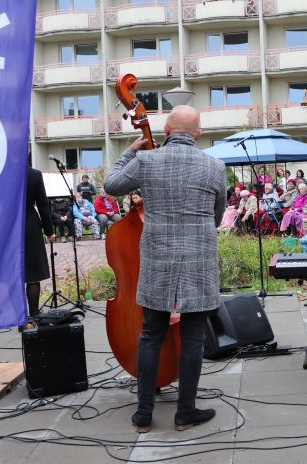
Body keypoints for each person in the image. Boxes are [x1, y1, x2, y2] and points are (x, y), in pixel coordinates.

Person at [104, 105, 226, 433]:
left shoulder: (146, 161)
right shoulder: (215, 166)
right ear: (198, 135)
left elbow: (111, 185)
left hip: (157, 259)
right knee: (193, 337)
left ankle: (144, 414)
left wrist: (130, 151)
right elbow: (217, 216)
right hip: (198, 261)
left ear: (167, 132)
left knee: (150, 336)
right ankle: (185, 412)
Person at [25, 157, 56, 329]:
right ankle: (33, 315)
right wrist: (49, 231)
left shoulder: (4, 173)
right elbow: (43, 205)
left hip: (8, 224)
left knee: (13, 273)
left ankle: (17, 316)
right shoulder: (34, 175)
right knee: (32, 272)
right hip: (29, 223)